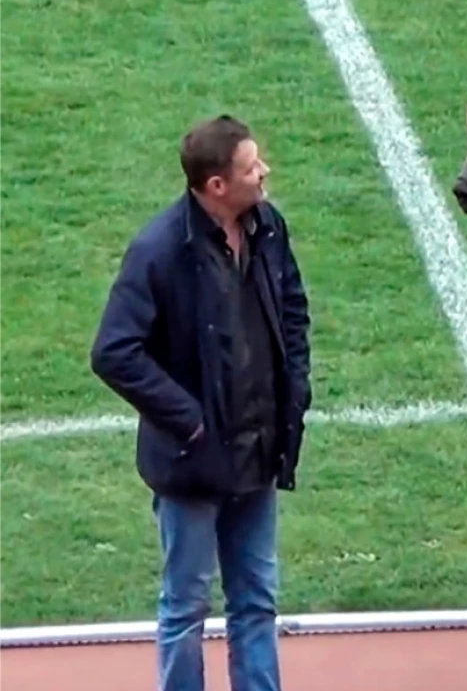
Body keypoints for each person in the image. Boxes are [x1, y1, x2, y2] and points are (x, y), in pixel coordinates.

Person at [90, 114, 312, 691]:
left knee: (256, 603)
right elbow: (114, 350)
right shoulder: (160, 251)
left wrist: (296, 389)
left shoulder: (267, 227)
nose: (263, 173)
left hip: (259, 453)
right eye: (250, 167)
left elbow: (291, 307)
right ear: (217, 186)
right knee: (186, 608)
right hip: (193, 463)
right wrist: (188, 421)